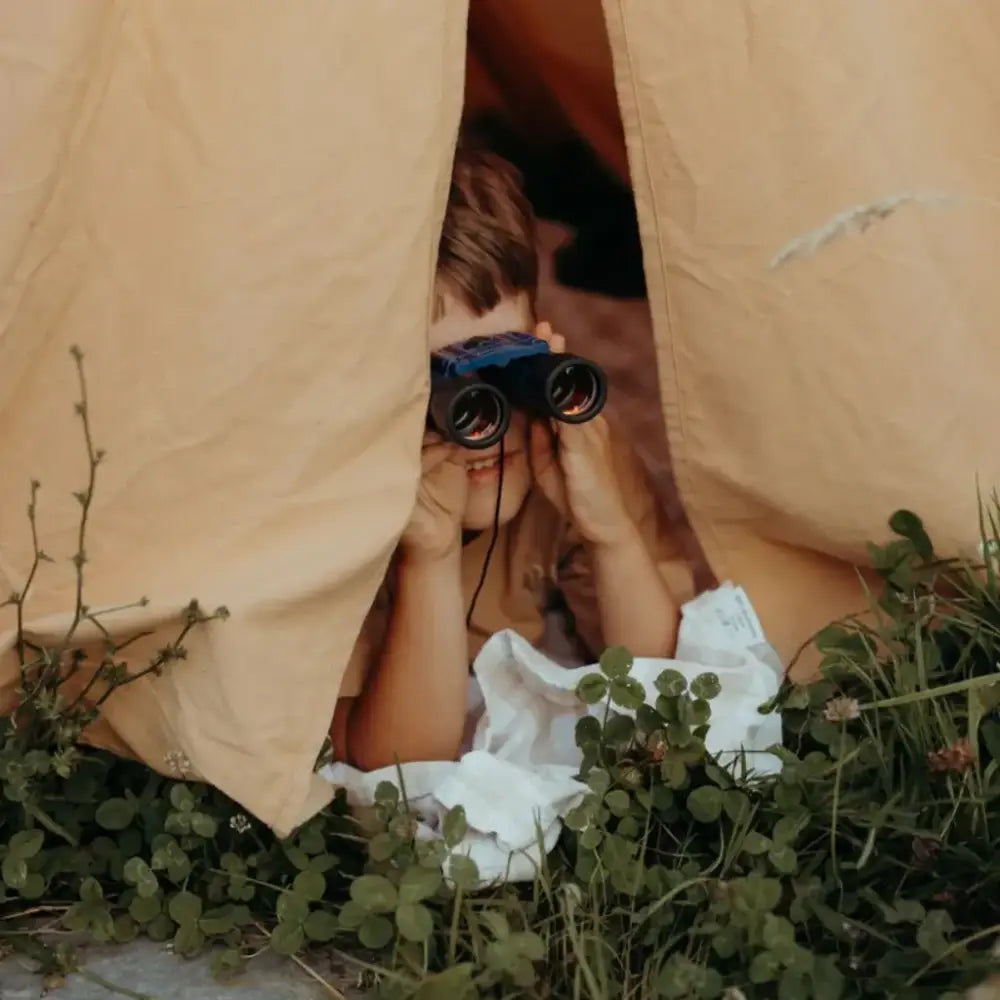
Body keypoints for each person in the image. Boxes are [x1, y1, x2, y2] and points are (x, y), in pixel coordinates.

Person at [332, 137, 694, 772]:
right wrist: (430, 559)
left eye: (510, 369)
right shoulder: (338, 518)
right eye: (449, 394)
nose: (487, 425)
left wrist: (607, 529)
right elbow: (395, 765)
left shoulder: (566, 450)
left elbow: (664, 692)